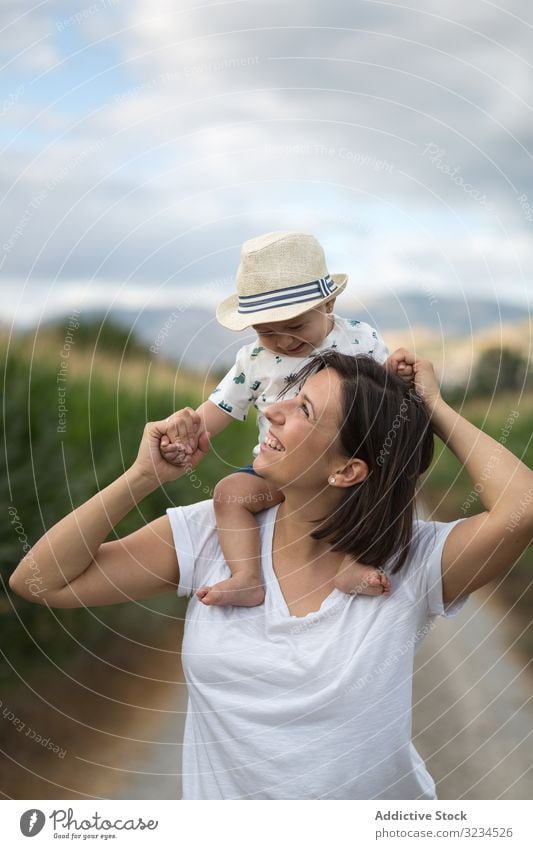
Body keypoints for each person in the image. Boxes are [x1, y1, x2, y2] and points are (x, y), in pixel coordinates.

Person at [9, 347, 533, 800]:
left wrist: (432, 407)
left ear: (346, 470)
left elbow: (523, 505)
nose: (271, 409)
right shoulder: (212, 533)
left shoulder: (410, 562)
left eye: (302, 407)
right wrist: (143, 477)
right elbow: (38, 581)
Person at [160, 230, 398, 606]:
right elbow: (219, 408)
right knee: (229, 494)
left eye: (297, 326)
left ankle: (356, 560)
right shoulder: (255, 360)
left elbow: (388, 394)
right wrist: (186, 430)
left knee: (383, 488)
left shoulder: (360, 340)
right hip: (281, 474)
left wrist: (399, 373)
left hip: (345, 468)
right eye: (267, 331)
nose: (285, 341)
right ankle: (247, 576)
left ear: (330, 304)